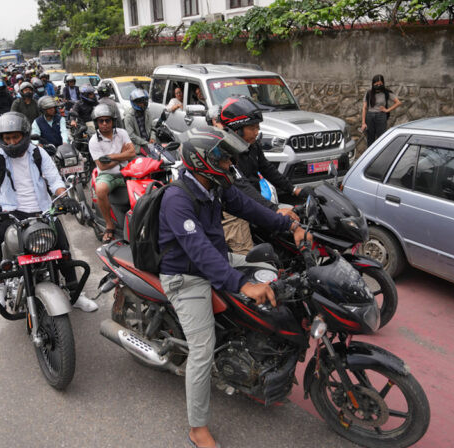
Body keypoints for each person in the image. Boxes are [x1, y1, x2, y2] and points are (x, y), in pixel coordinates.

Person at [158, 127, 310, 448]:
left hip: (218, 258)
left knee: (271, 272)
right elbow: (198, 253)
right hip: (186, 275)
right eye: (225, 159)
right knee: (202, 349)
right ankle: (197, 428)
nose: (230, 165)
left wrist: (291, 225)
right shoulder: (177, 198)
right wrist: (241, 283)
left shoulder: (215, 185)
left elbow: (250, 208)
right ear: (204, 161)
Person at [0, 112, 98, 312]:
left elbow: (55, 181)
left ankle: (75, 294)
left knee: (63, 249)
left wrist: (65, 198)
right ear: (1, 139)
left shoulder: (39, 153)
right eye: (7, 138)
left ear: (24, 135)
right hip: (10, 213)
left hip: (42, 212)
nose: (12, 142)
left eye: (16, 137)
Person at [218, 96, 309, 254]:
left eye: (257, 127)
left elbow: (266, 168)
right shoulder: (225, 151)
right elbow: (242, 185)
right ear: (237, 128)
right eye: (252, 128)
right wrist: (273, 209)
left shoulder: (252, 144)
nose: (257, 132)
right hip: (234, 210)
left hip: (255, 201)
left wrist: (294, 190)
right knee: (247, 256)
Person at [88, 104, 136, 242]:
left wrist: (111, 156)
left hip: (127, 172)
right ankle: (109, 225)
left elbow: (132, 153)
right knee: (101, 190)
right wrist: (122, 154)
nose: (104, 124)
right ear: (97, 123)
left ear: (113, 121)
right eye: (101, 121)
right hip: (107, 175)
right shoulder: (93, 141)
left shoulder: (122, 133)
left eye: (107, 120)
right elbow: (103, 166)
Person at [360, 74, 401, 147]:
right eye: (376, 84)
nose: (378, 85)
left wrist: (387, 110)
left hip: (381, 116)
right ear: (373, 83)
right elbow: (364, 108)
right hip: (370, 117)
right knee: (370, 138)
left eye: (380, 84)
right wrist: (363, 123)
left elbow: (398, 102)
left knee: (381, 138)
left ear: (383, 83)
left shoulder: (386, 92)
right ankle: (370, 156)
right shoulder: (368, 93)